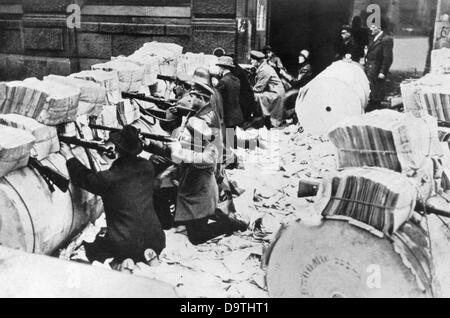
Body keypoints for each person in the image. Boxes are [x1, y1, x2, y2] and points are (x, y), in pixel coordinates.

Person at [145, 82, 248, 245]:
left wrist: (180, 153)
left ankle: (231, 224)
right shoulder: (196, 116)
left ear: (201, 98)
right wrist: (150, 145)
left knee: (196, 237)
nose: (189, 98)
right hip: (191, 182)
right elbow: (179, 149)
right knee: (163, 196)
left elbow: (209, 158)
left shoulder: (205, 121)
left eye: (192, 96)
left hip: (200, 189)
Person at [60, 126, 166, 265]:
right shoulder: (147, 167)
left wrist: (69, 156)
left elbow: (85, 178)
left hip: (126, 244)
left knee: (92, 250)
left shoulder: (109, 179)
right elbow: (126, 173)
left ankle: (125, 260)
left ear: (116, 149)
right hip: (156, 239)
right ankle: (147, 258)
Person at [250, 50, 286, 129]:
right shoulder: (263, 67)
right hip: (273, 91)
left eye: (252, 60)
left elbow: (258, 88)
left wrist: (248, 91)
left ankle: (261, 118)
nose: (251, 61)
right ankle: (262, 119)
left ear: (258, 61)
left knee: (255, 96)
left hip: (275, 93)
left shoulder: (264, 70)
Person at [215, 56, 244, 149]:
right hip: (236, 114)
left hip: (227, 115)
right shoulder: (237, 79)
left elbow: (217, 98)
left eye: (219, 67)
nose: (218, 70)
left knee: (227, 142)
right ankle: (234, 155)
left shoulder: (223, 82)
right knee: (232, 139)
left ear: (222, 68)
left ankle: (230, 159)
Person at [365, 20, 394, 112]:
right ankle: (372, 106)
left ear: (379, 28)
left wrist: (383, 71)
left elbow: (388, 57)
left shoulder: (386, 39)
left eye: (373, 27)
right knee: (371, 89)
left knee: (377, 90)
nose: (371, 29)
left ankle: (376, 107)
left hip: (377, 70)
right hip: (370, 68)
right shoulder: (374, 38)